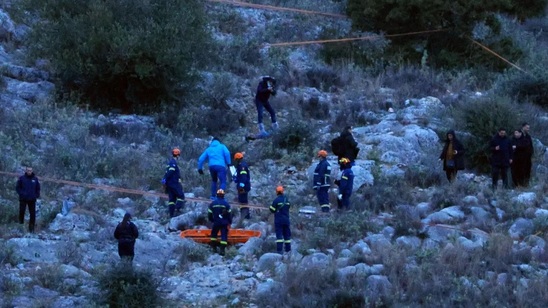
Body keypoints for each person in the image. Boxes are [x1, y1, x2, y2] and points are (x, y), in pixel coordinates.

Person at [15, 166, 41, 233]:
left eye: (30, 170)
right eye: (28, 170)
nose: (29, 172)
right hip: (23, 199)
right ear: (26, 171)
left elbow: (38, 188)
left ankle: (31, 229)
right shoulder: (22, 178)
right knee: (22, 212)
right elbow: (17, 187)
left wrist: (36, 195)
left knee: (32, 214)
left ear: (32, 171)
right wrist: (21, 194)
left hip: (32, 200)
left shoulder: (35, 179)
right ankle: (21, 227)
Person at [208, 189, 232, 256]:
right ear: (223, 195)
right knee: (224, 236)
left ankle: (214, 248)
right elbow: (229, 215)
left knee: (214, 235)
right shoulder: (226, 204)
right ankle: (222, 250)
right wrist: (229, 222)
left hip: (216, 222)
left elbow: (209, 214)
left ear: (217, 195)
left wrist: (212, 220)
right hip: (224, 223)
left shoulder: (212, 204)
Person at [162, 147, 185, 217]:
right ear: (178, 155)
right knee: (181, 196)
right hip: (174, 183)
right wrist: (165, 178)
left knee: (172, 199)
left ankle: (171, 215)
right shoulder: (173, 163)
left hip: (169, 184)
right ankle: (177, 209)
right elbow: (171, 171)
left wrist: (164, 180)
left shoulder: (169, 162)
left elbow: (168, 172)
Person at [269, 186, 291, 255]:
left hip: (279, 220)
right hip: (286, 220)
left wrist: (270, 207)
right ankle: (288, 250)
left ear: (276, 192)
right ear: (282, 191)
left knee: (279, 236)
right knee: (287, 236)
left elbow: (272, 210)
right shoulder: (286, 200)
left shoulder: (276, 200)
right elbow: (288, 207)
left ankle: (279, 251)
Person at [233, 152, 251, 219]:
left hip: (243, 186)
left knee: (243, 200)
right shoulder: (242, 165)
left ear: (238, 159)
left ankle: (245, 215)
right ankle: (245, 214)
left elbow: (243, 176)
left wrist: (241, 186)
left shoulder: (242, 166)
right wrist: (236, 179)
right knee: (243, 200)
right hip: (244, 185)